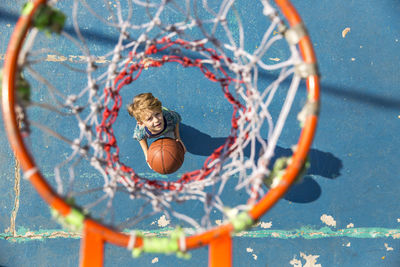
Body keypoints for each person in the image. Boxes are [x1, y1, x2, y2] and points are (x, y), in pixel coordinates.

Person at [127, 93, 186, 167]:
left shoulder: (169, 116)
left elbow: (176, 120)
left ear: (160, 110)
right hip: (155, 129)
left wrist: (178, 138)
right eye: (149, 119)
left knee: (173, 145)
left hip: (167, 128)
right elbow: (140, 138)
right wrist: (147, 153)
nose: (156, 120)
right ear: (141, 123)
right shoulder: (141, 131)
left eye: (157, 114)